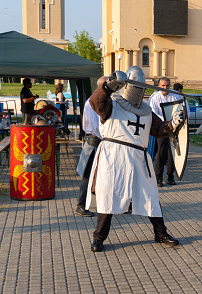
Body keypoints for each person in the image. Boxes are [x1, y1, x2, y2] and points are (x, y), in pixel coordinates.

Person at [86, 66, 184, 252]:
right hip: (114, 157)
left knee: (150, 197)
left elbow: (160, 129)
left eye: (141, 87)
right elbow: (95, 102)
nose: (138, 91)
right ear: (127, 86)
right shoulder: (112, 104)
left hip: (139, 158)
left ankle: (160, 233)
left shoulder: (147, 111)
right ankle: (98, 238)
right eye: (135, 86)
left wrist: (173, 123)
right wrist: (109, 86)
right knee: (109, 198)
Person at [75, 86, 106, 217]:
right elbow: (95, 126)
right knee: (88, 174)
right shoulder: (92, 102)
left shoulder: (103, 101)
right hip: (95, 141)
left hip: (101, 140)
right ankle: (80, 205)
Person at [147, 77, 183, 187]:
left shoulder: (176, 96)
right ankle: (158, 177)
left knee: (172, 152)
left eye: (167, 85)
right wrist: (165, 124)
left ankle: (170, 176)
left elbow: (183, 109)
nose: (165, 88)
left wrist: (176, 123)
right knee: (161, 152)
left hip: (174, 128)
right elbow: (154, 114)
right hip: (162, 128)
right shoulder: (155, 98)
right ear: (159, 86)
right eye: (163, 86)